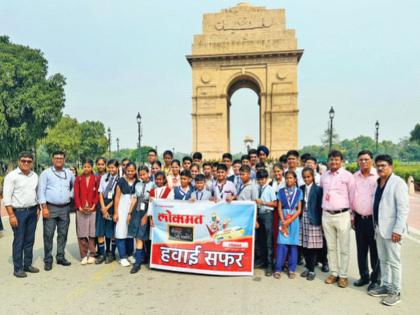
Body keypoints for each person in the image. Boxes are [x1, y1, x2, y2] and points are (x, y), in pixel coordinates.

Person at [368, 155, 409, 306]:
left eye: (383, 165)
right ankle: (385, 285)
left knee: (394, 261)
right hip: (379, 228)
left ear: (390, 166)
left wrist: (398, 230)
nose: (380, 168)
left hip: (393, 231)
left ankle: (395, 291)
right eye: (378, 165)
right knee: (383, 259)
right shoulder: (378, 182)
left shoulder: (398, 183)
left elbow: (403, 209)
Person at [321, 150, 354, 288]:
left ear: (341, 161)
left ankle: (343, 275)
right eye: (331, 159)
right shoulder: (324, 176)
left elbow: (352, 196)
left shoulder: (348, 176)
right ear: (328, 161)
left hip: (343, 215)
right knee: (331, 246)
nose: (333, 162)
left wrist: (352, 216)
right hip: (327, 214)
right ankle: (334, 273)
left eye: (336, 159)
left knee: (344, 247)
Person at [3, 152, 39, 278]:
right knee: (19, 240)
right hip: (18, 213)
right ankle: (17, 268)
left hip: (32, 211)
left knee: (30, 240)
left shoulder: (34, 175)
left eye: (29, 161)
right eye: (24, 160)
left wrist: (38, 208)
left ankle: (27, 264)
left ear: (32, 163)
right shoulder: (11, 176)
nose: (26, 163)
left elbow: (36, 193)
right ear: (19, 161)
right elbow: (6, 198)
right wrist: (11, 215)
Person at [38, 150, 75, 271]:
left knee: (63, 234)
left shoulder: (69, 173)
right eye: (56, 158)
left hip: (65, 208)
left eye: (61, 158)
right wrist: (44, 208)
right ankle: (48, 259)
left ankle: (60, 256)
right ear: (52, 159)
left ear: (64, 160)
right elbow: (41, 191)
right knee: (48, 235)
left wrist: (69, 196)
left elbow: (74, 187)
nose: (59, 160)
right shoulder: (46, 173)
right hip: (50, 207)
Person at [350, 150, 380, 291]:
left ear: (372, 161)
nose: (363, 162)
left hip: (373, 220)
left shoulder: (378, 177)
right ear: (357, 161)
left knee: (375, 251)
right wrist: (351, 216)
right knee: (361, 250)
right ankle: (364, 276)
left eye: (366, 159)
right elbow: (351, 197)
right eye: (361, 159)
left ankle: (376, 280)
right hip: (359, 219)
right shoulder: (354, 177)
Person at [274, 171, 302, 279]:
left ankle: (291, 269)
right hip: (283, 219)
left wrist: (289, 221)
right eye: (287, 178)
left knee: (293, 245)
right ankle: (278, 268)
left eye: (291, 178)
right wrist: (283, 220)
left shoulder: (299, 192)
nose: (289, 180)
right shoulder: (281, 191)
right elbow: (279, 207)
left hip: (294, 220)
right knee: (281, 244)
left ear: (295, 179)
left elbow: (299, 209)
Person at [127, 166, 155, 274]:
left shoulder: (153, 185)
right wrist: (129, 213)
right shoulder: (137, 184)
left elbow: (152, 201)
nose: (142, 176)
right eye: (140, 174)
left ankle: (140, 261)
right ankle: (139, 260)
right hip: (137, 212)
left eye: (144, 174)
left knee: (143, 236)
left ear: (148, 173)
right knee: (137, 236)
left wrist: (146, 216)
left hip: (147, 212)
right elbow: (134, 198)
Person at [299, 167, 324, 281]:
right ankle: (308, 267)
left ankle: (312, 270)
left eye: (308, 177)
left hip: (314, 218)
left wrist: (321, 221)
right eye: (304, 177)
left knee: (312, 245)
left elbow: (320, 207)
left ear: (313, 177)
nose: (306, 179)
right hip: (302, 218)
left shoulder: (318, 190)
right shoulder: (301, 188)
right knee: (304, 244)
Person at [74, 159, 99, 265]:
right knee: (82, 232)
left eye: (89, 167)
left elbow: (98, 193)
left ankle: (93, 254)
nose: (87, 169)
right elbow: (76, 194)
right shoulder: (78, 179)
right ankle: (84, 255)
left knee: (92, 232)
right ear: (82, 167)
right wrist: (79, 207)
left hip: (93, 209)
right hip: (81, 209)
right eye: (85, 167)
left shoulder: (96, 179)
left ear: (92, 167)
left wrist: (93, 205)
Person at [113, 162, 138, 267]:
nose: (130, 173)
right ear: (125, 170)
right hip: (122, 211)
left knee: (130, 233)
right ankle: (122, 257)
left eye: (132, 171)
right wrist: (115, 212)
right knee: (121, 232)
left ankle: (129, 254)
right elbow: (117, 198)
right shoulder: (120, 182)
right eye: (128, 171)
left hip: (133, 211)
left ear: (135, 171)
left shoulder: (138, 182)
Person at [96, 159, 119, 264]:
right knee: (101, 231)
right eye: (109, 167)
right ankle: (102, 254)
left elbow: (117, 197)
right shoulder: (104, 177)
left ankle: (111, 253)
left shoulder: (120, 179)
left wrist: (107, 208)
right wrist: (103, 207)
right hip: (102, 206)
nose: (111, 169)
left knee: (111, 232)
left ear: (117, 168)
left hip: (112, 205)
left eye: (113, 167)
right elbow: (100, 192)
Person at [255, 169, 277, 277]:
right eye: (259, 179)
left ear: (266, 179)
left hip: (268, 214)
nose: (261, 181)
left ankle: (269, 265)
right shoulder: (257, 188)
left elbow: (275, 203)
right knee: (261, 240)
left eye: (263, 179)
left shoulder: (270, 189)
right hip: (260, 215)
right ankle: (262, 261)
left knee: (269, 241)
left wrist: (263, 202)